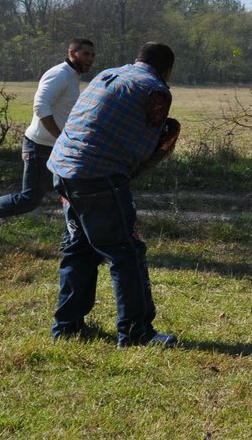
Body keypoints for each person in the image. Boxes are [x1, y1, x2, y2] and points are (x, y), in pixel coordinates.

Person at [46, 41, 182, 348]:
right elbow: (145, 151)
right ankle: (136, 333)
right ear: (167, 69)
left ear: (137, 59)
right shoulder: (156, 90)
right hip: (98, 177)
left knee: (79, 248)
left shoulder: (109, 74)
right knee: (126, 252)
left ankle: (67, 327)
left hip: (62, 169)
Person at [0, 39, 96, 239]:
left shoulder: (72, 77)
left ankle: (77, 239)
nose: (90, 59)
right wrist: (61, 138)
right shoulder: (59, 74)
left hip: (56, 147)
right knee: (29, 199)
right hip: (40, 147)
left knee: (75, 192)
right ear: (71, 52)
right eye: (85, 54)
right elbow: (41, 107)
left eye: (92, 55)